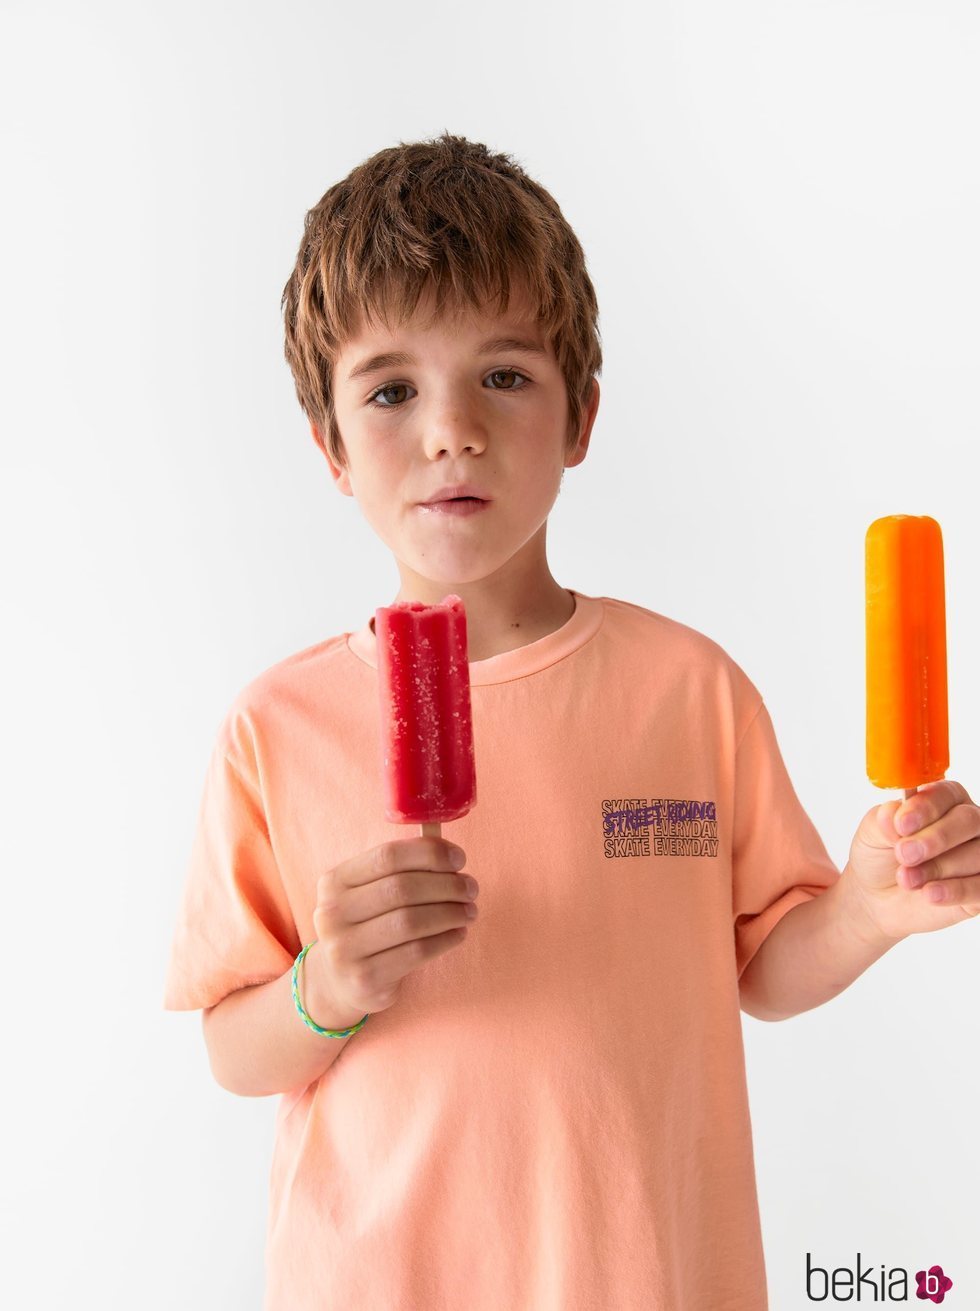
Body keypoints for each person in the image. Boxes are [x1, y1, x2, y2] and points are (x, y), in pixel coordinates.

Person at [162, 131, 980, 1311]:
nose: (451, 429)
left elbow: (761, 965)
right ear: (330, 450)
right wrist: (324, 986)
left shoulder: (686, 689)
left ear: (581, 416)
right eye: (390, 390)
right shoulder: (276, 729)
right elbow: (230, 1049)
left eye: (503, 374)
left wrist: (865, 908)